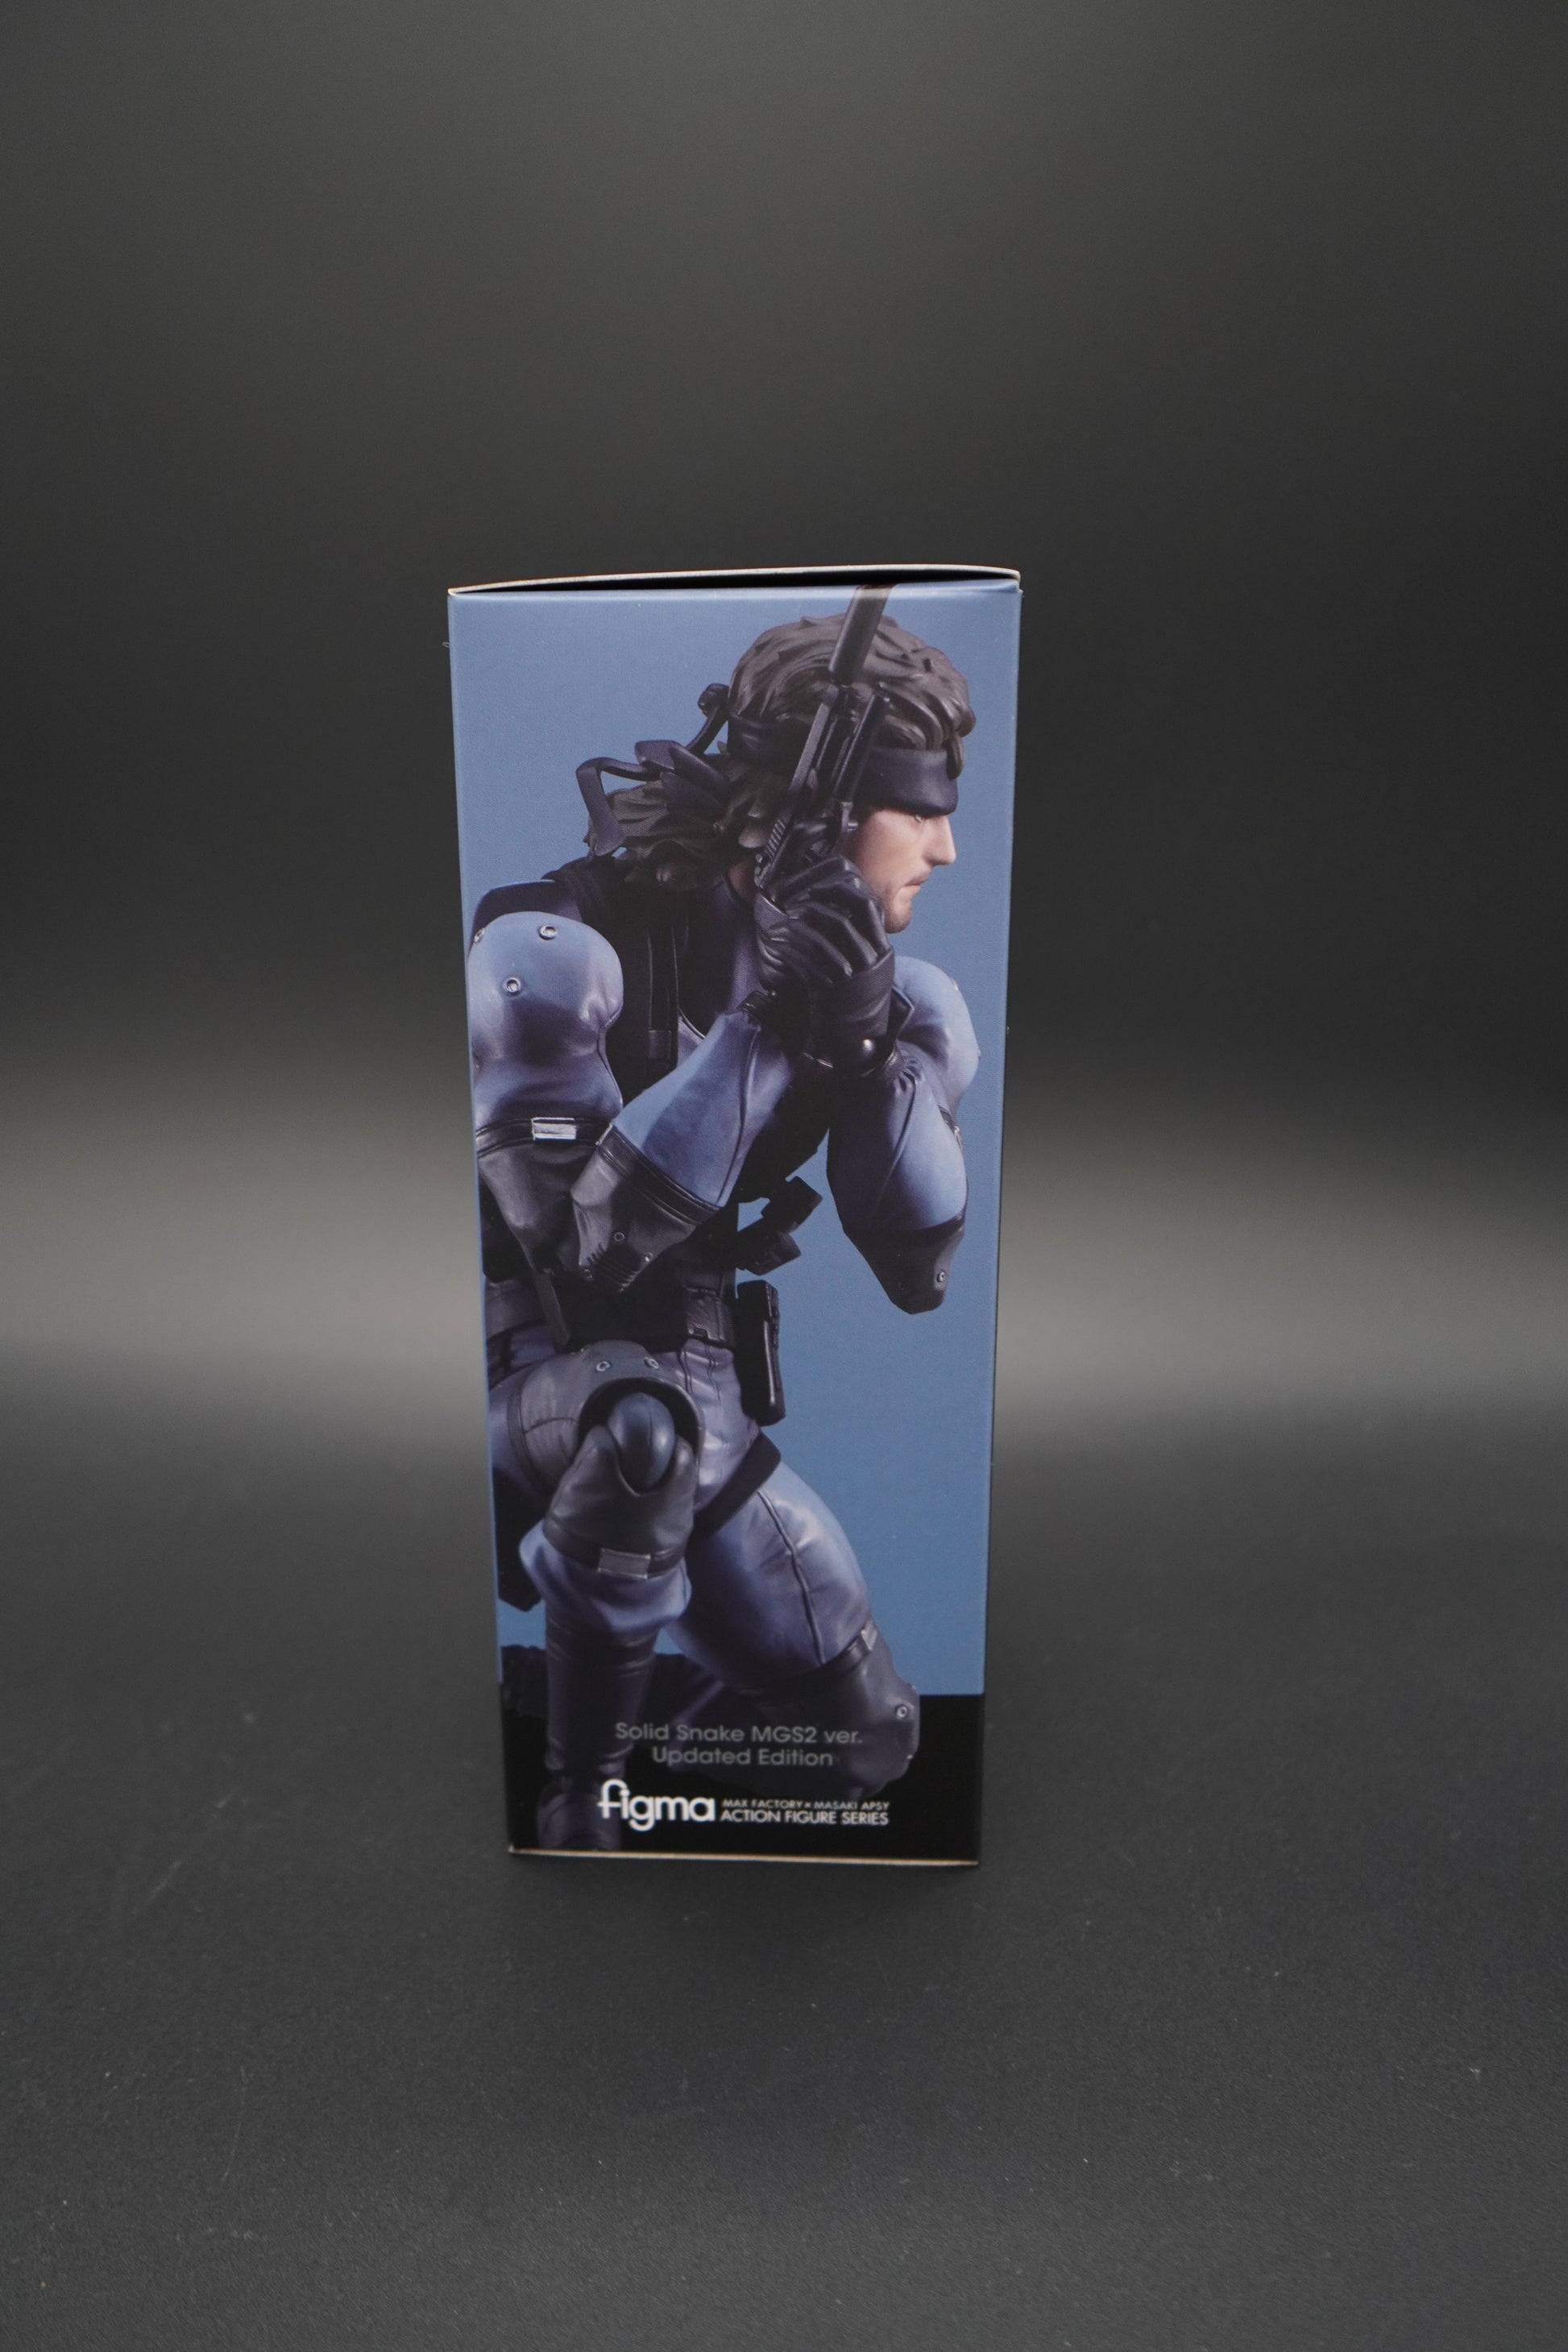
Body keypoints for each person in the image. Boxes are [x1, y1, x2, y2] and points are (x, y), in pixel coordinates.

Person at [467, 608, 981, 1848]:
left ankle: (605, 1735)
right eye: (916, 809)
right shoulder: (553, 948)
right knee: (637, 1434)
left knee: (866, 1737)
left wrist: (855, 1038)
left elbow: (916, 1261)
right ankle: (574, 1800)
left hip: (705, 1387)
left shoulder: (905, 999)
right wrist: (763, 1029)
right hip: (540, 1372)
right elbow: (588, 1246)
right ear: (808, 815)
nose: (945, 847)